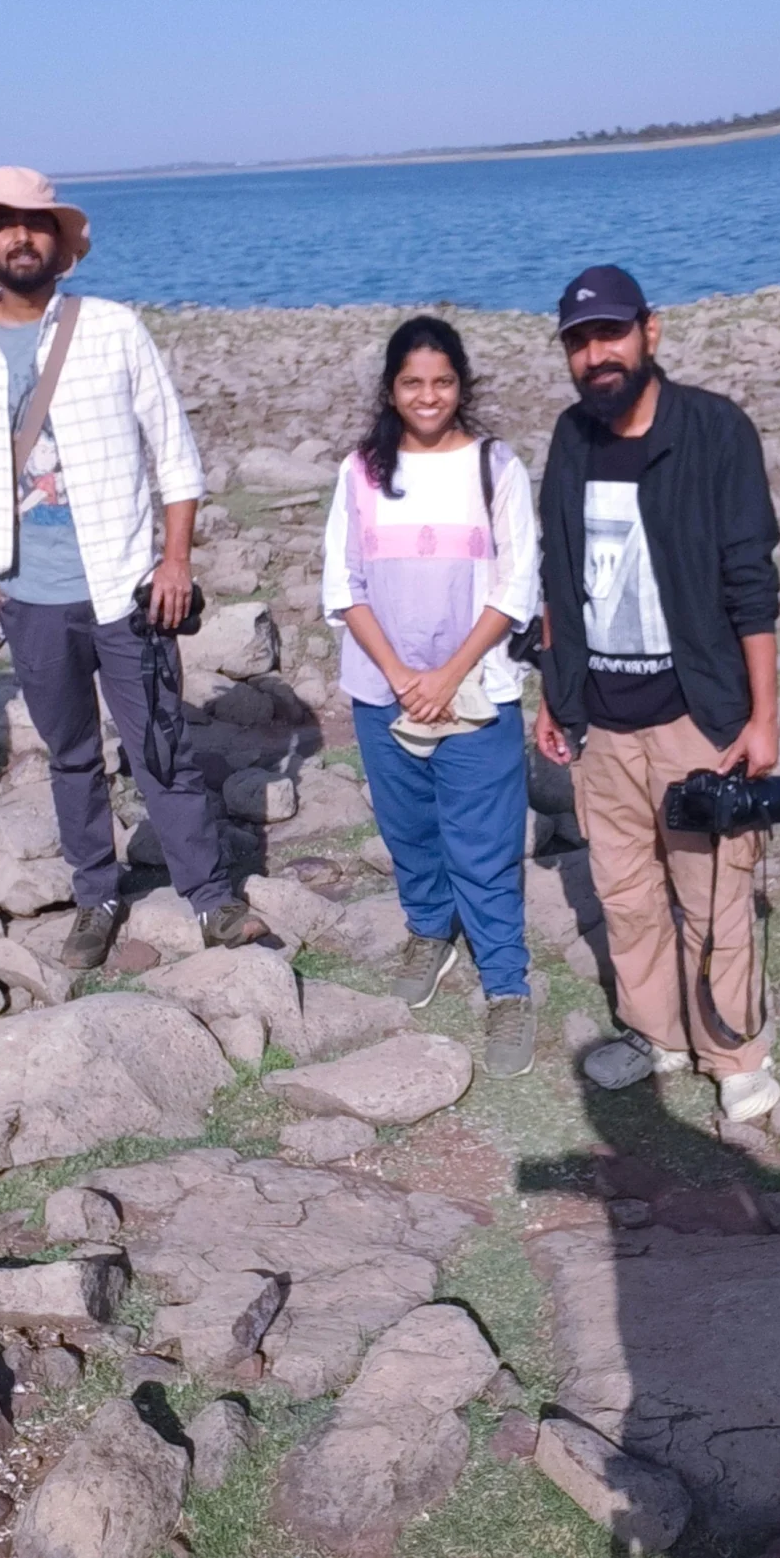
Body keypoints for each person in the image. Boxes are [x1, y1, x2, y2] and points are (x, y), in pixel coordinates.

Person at [0, 167, 264, 967]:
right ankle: (95, 895)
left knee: (161, 746)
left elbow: (174, 451)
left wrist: (176, 560)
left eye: (35, 221)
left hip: (125, 587)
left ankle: (210, 897)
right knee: (70, 755)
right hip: (27, 596)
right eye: (4, 224)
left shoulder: (113, 328)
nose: (21, 235)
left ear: (59, 239)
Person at [533, 265, 780, 1123]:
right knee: (625, 891)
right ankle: (656, 1032)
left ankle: (734, 1051)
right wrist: (553, 691)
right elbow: (559, 577)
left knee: (713, 889)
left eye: (610, 333)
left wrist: (763, 716)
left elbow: (752, 582)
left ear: (651, 331)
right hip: (600, 720)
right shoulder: (572, 437)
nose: (595, 354)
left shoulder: (715, 431)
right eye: (579, 341)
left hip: (695, 713)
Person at [322, 316, 542, 1076]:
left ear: (461, 386)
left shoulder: (495, 466)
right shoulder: (361, 472)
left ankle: (506, 984)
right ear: (391, 389)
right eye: (412, 382)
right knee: (409, 830)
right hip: (383, 691)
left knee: (485, 846)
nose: (428, 396)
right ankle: (429, 931)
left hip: (476, 689)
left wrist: (448, 673)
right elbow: (344, 585)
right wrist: (399, 676)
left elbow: (517, 585)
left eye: (442, 382)